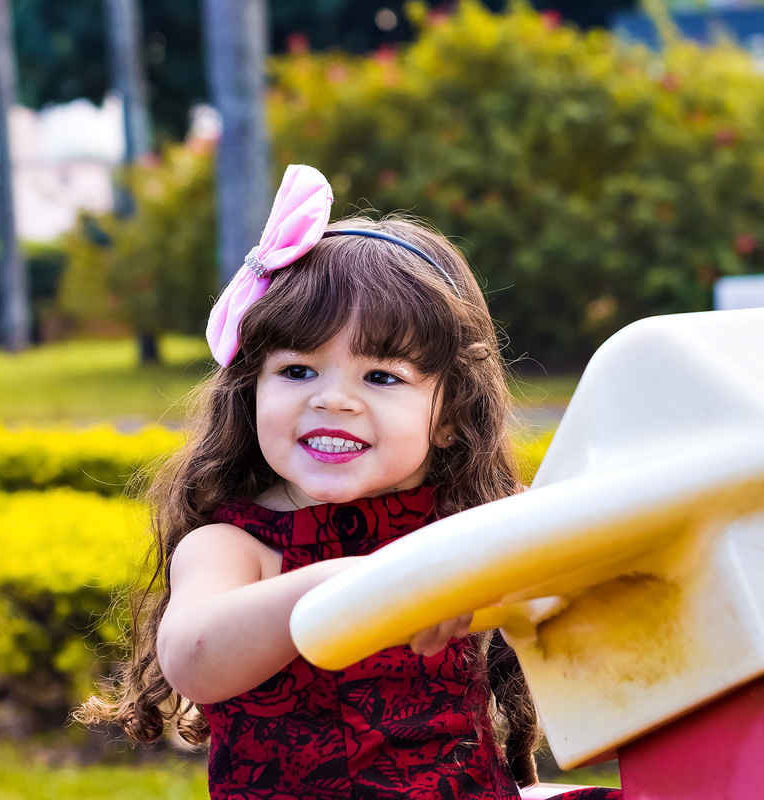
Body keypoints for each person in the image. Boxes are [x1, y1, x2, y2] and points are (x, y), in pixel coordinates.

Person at [79, 165, 623, 800]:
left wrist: (535, 579)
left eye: (382, 377)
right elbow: (194, 658)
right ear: (251, 389)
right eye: (298, 370)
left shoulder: (472, 526)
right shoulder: (237, 544)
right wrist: (366, 582)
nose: (333, 400)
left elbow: (602, 626)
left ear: (447, 415)